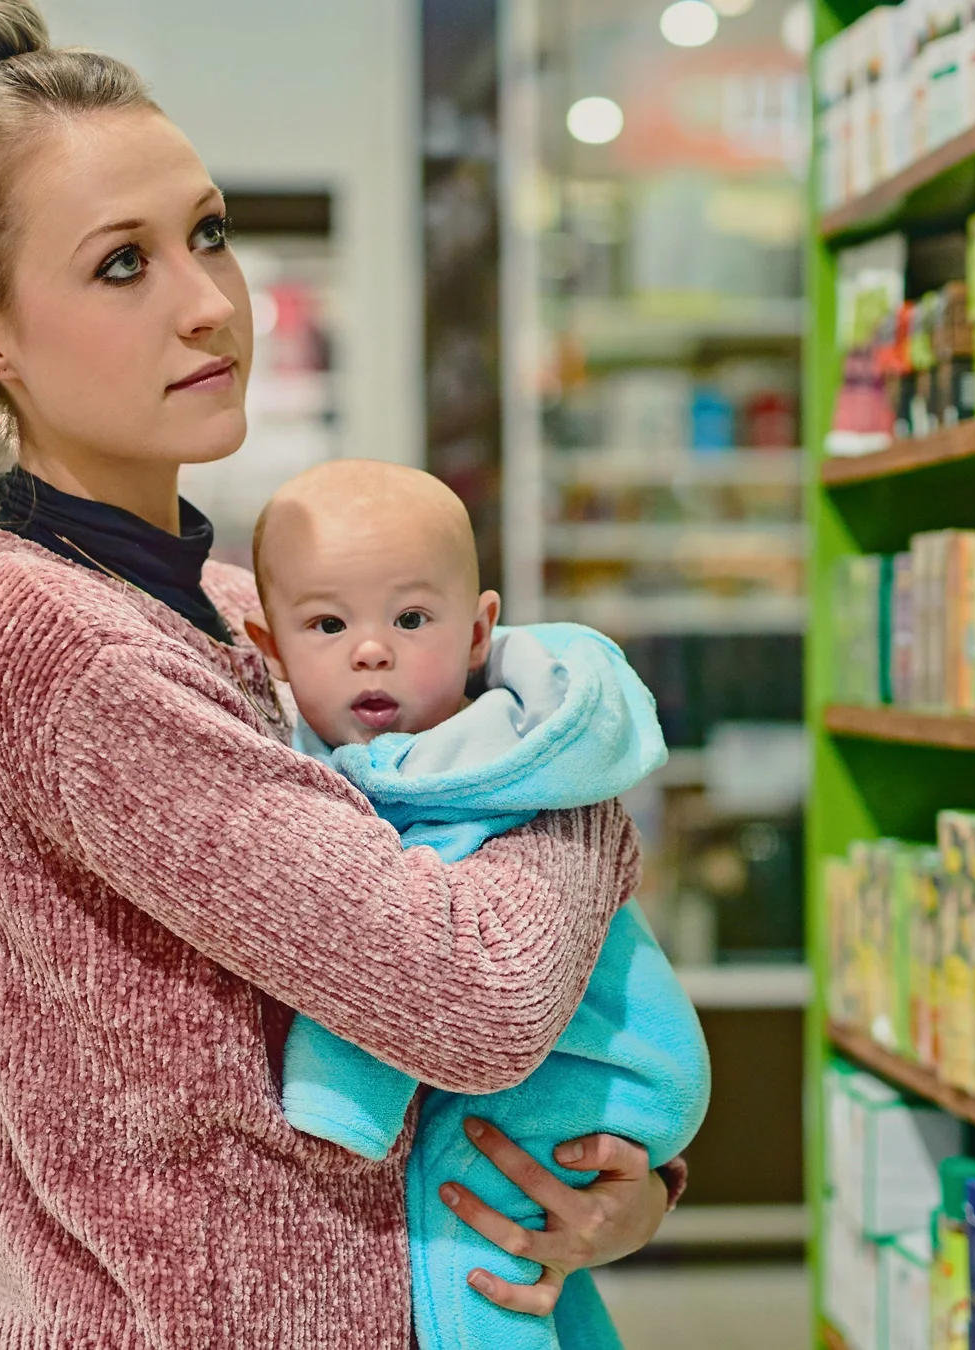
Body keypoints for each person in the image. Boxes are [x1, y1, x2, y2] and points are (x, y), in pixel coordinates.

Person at [0, 4, 680, 1345]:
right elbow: (474, 991)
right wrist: (582, 787)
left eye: (207, 232)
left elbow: (464, 977)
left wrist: (620, 1179)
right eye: (122, 263)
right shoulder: (48, 641)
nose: (207, 301)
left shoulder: (239, 606)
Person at [247, 459, 710, 1350]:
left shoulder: (472, 758)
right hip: (582, 1063)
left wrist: (340, 1101)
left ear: (477, 631)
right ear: (272, 651)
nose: (369, 648)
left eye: (411, 619)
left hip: (604, 1063)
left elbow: (413, 950)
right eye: (327, 624)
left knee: (476, 1243)